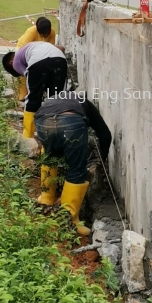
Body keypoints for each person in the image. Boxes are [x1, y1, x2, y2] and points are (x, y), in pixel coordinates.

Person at [34, 90, 112, 235]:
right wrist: (103, 159)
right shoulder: (85, 103)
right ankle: (68, 219)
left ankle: (46, 199)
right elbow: (105, 135)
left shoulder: (54, 99)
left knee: (50, 158)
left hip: (42, 121)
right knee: (76, 170)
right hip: (71, 123)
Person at [2, 42, 67, 138]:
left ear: (10, 63)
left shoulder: (15, 61)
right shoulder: (33, 46)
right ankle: (52, 141)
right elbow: (61, 48)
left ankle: (27, 137)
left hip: (38, 61)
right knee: (56, 100)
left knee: (33, 99)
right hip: (60, 60)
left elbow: (33, 80)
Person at [16, 18, 57, 101]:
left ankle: (38, 94)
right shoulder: (31, 32)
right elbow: (25, 49)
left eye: (47, 34)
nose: (45, 36)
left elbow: (51, 48)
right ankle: (22, 96)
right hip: (23, 51)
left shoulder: (52, 32)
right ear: (38, 31)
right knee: (24, 73)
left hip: (40, 53)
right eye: (43, 35)